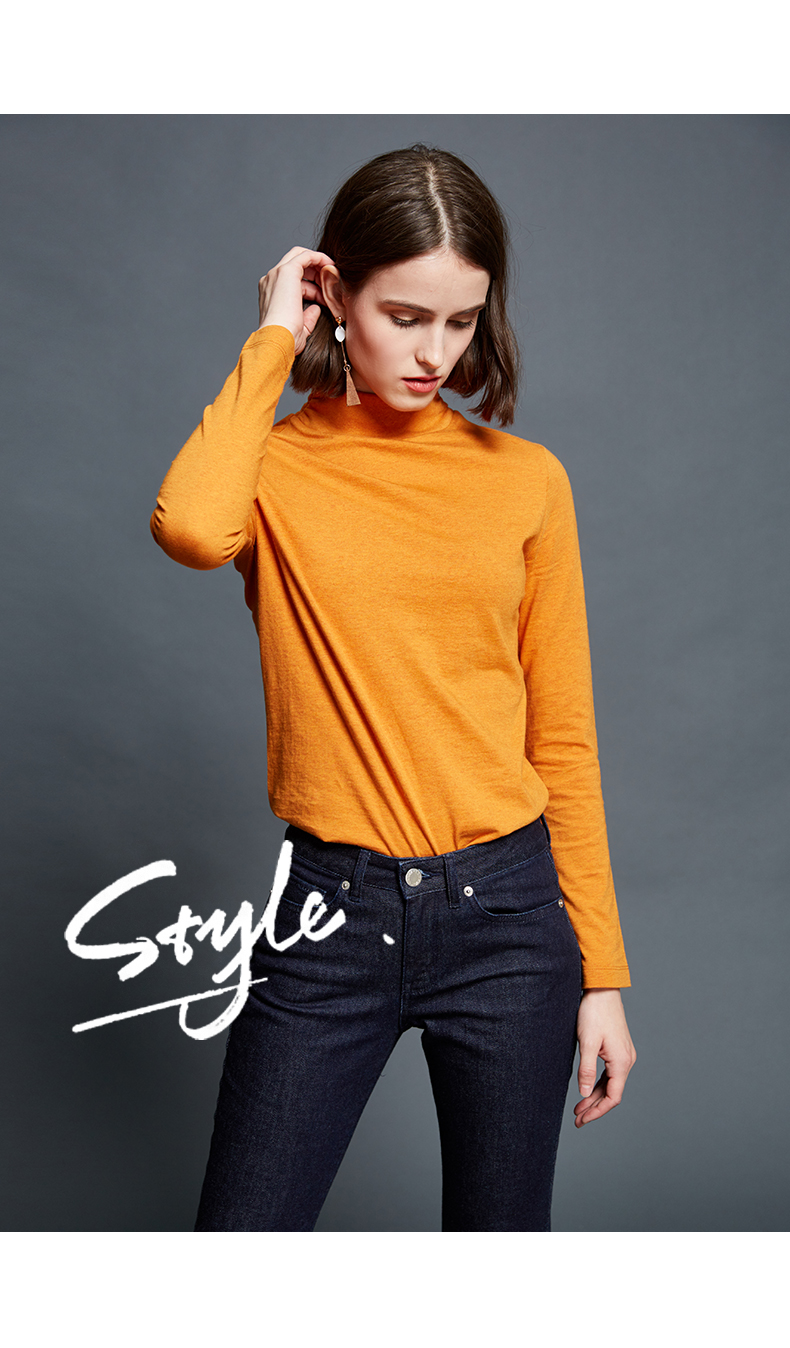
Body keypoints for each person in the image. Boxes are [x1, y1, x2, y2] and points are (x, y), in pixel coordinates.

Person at [150, 144, 636, 1232]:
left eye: (461, 321)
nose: (433, 352)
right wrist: (273, 337)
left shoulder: (527, 481)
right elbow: (189, 529)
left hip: (509, 918)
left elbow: (562, 739)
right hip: (330, 915)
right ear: (337, 293)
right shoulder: (273, 467)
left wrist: (601, 974)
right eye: (405, 315)